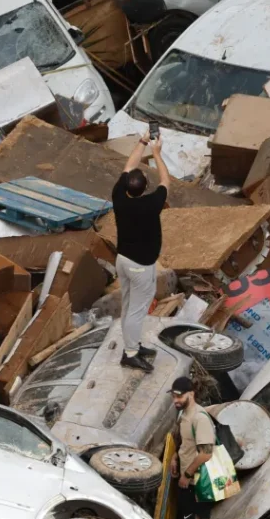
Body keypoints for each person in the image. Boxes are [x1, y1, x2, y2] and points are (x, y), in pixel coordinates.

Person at [111, 131, 170, 371]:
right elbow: (166, 181)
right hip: (140, 266)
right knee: (137, 310)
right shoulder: (151, 203)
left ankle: (132, 344)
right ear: (145, 187)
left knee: (127, 305)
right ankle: (131, 353)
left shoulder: (118, 196)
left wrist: (143, 142)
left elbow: (129, 165)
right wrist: (156, 153)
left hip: (123, 260)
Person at [170, 377, 216, 519]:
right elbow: (185, 442)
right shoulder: (183, 414)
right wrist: (175, 457)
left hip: (198, 484)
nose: (175, 400)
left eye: (179, 396)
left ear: (191, 394)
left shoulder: (199, 418)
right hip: (187, 481)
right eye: (173, 396)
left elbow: (206, 453)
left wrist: (187, 475)